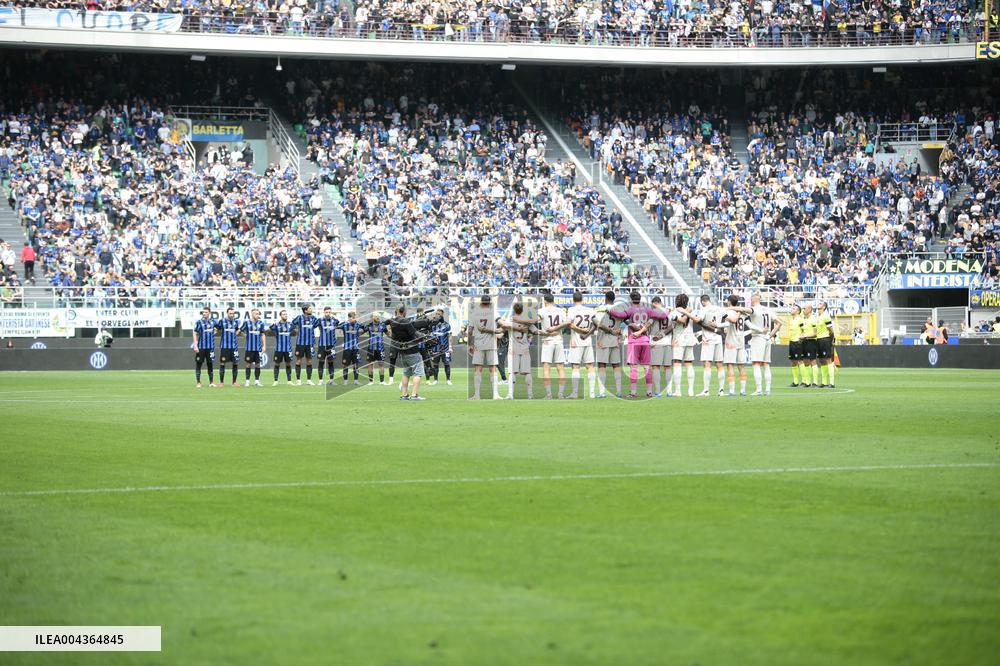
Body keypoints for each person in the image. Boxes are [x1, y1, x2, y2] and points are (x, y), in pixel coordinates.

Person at [610, 290, 667, 399]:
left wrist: (609, 309)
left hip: (634, 341)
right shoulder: (648, 310)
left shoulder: (630, 310)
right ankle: (650, 392)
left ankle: (633, 392)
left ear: (631, 299)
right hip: (645, 340)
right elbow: (663, 315)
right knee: (646, 367)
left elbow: (618, 314)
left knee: (633, 367)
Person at [386, 305, 439, 401]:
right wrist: (426, 337)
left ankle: (404, 395)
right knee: (417, 373)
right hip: (412, 350)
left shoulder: (393, 323)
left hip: (402, 352)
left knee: (406, 373)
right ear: (404, 312)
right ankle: (414, 395)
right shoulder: (406, 322)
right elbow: (415, 333)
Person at [499, 301, 536, 399]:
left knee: (512, 372)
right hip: (525, 349)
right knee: (527, 372)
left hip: (513, 350)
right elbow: (536, 331)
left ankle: (510, 394)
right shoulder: (528, 322)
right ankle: (530, 395)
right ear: (522, 310)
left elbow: (502, 326)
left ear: (514, 310)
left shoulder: (511, 321)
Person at [747, 293, 781, 395]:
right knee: (766, 364)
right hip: (767, 339)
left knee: (756, 363)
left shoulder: (754, 309)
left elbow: (745, 311)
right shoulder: (768, 309)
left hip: (758, 337)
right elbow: (779, 323)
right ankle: (767, 389)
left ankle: (758, 390)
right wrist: (770, 335)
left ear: (753, 300)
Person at [468, 294, 501, 400]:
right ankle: (495, 394)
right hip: (491, 343)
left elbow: (469, 331)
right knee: (493, 368)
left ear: (481, 302)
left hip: (478, 343)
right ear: (490, 303)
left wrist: (470, 344)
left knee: (478, 369)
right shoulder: (494, 313)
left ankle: (477, 395)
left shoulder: (474, 313)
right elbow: (501, 324)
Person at [537, 293, 569, 399]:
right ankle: (560, 394)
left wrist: (544, 331)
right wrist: (557, 328)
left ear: (545, 301)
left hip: (547, 340)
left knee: (546, 368)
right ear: (553, 300)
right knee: (560, 368)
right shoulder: (560, 311)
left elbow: (533, 321)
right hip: (558, 340)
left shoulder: (541, 311)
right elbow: (568, 322)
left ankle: (549, 394)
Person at [668, 294, 701, 397]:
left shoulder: (674, 312)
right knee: (689, 364)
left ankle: (678, 391)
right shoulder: (691, 311)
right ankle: (690, 390)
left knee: (677, 364)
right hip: (689, 338)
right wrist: (688, 311)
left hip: (679, 339)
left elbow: (681, 321)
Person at [566, 291, 598, 399]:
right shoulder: (589, 310)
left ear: (573, 300)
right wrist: (587, 332)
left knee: (575, 367)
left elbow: (570, 324)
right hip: (587, 341)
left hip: (576, 341)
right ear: (582, 299)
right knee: (590, 366)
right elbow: (597, 324)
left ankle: (575, 393)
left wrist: (580, 330)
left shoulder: (571, 310)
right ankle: (592, 393)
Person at [593, 290, 623, 398]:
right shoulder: (619, 310)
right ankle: (619, 391)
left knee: (602, 366)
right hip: (615, 341)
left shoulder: (600, 309)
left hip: (603, 340)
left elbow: (598, 324)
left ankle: (602, 392)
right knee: (616, 366)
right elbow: (624, 321)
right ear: (614, 299)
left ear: (605, 298)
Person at [720, 295, 750, 396]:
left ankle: (732, 391)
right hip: (741, 341)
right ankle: (743, 390)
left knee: (730, 365)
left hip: (731, 341)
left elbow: (728, 326)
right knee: (741, 366)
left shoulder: (728, 312)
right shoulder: (742, 312)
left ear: (729, 302)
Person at [697, 294, 726, 397]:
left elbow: (699, 320)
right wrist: (718, 327)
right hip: (718, 339)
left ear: (703, 301)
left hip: (707, 340)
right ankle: (721, 390)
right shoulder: (719, 308)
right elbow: (728, 321)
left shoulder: (704, 309)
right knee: (719, 364)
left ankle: (706, 391)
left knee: (707, 364)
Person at [648, 296, 673, 398]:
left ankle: (658, 391)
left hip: (656, 342)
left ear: (654, 303)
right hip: (667, 341)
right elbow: (672, 326)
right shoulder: (669, 311)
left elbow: (648, 325)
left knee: (656, 367)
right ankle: (669, 391)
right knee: (667, 367)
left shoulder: (652, 312)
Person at [291, 304, 318, 385]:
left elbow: (317, 325)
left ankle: (309, 380)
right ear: (305, 310)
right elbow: (293, 323)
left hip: (310, 343)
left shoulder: (314, 318)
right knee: (298, 361)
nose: (311, 310)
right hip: (300, 343)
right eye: (310, 308)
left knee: (309, 361)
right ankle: (298, 380)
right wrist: (296, 330)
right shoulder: (299, 317)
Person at [216, 307, 241, 388]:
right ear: (227, 313)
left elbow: (237, 330)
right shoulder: (222, 321)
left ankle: (234, 382)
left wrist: (235, 334)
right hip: (225, 346)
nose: (232, 315)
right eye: (230, 313)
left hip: (234, 346)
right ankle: (221, 382)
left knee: (235, 363)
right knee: (222, 363)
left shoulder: (236, 321)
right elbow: (218, 330)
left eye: (233, 313)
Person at [241, 308, 267, 387]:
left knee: (258, 364)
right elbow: (241, 330)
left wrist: (264, 345)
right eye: (256, 313)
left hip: (258, 348)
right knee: (248, 364)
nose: (257, 315)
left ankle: (257, 381)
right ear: (252, 314)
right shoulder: (247, 323)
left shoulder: (261, 323)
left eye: (258, 314)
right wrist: (245, 335)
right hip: (249, 348)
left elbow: (262, 334)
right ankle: (247, 381)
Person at [192, 306, 216, 389]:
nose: (204, 313)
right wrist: (195, 345)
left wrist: (216, 332)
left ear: (209, 313)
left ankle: (211, 382)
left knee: (210, 364)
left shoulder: (213, 321)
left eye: (206, 312)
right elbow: (195, 332)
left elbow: (218, 329)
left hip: (210, 347)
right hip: (201, 347)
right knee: (199, 364)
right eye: (203, 312)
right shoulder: (199, 322)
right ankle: (198, 382)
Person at [269, 310, 295, 386]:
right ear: (280, 316)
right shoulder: (277, 324)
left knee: (288, 364)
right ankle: (276, 381)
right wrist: (274, 323)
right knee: (277, 364)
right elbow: (270, 329)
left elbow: (296, 329)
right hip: (279, 348)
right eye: (284, 314)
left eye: (286, 314)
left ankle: (289, 380)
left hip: (288, 348)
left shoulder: (290, 324)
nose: (285, 315)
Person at [428, 309, 452, 385]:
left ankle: (448, 380)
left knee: (447, 363)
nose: (437, 315)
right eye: (437, 314)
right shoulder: (432, 326)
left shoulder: (447, 325)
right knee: (435, 364)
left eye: (439, 314)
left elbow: (449, 336)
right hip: (435, 348)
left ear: (442, 315)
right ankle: (435, 380)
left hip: (445, 348)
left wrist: (450, 346)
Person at [815, 301, 836, 388]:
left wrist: (831, 339)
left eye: (820, 304)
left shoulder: (826, 316)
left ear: (824, 307)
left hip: (825, 339)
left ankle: (831, 383)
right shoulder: (818, 317)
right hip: (819, 339)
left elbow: (830, 329)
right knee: (822, 360)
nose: (818, 304)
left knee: (828, 360)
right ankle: (824, 382)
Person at [339, 311, 364, 385]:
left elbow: (365, 328)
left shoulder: (358, 324)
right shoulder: (344, 324)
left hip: (355, 348)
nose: (354, 319)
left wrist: (359, 333)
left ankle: (356, 381)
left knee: (356, 364)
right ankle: (345, 381)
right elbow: (336, 326)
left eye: (354, 317)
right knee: (345, 365)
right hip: (347, 348)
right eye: (352, 318)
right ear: (349, 318)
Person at [317, 307, 340, 385]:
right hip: (322, 345)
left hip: (331, 345)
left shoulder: (334, 320)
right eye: (326, 312)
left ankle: (331, 380)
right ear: (324, 312)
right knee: (321, 362)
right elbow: (313, 325)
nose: (328, 314)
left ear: (331, 312)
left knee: (331, 362)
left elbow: (338, 322)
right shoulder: (320, 320)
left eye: (329, 312)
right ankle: (320, 381)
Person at [799, 303, 820, 387]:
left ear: (809, 310)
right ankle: (807, 382)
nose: (803, 310)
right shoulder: (804, 319)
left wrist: (805, 336)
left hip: (811, 341)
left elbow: (815, 333)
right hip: (804, 341)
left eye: (804, 308)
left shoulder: (813, 319)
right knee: (806, 361)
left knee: (813, 361)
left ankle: (815, 382)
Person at [364, 313, 388, 385]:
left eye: (378, 316)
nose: (378, 317)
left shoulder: (383, 325)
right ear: (372, 317)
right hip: (371, 348)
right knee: (370, 364)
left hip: (380, 348)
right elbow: (361, 332)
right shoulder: (369, 326)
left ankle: (382, 381)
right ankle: (370, 381)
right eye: (376, 316)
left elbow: (388, 334)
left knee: (381, 364)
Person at [788, 304, 805, 387]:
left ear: (798, 311)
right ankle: (795, 382)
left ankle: (804, 381)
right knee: (793, 361)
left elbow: (804, 330)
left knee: (800, 361)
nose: (792, 309)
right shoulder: (791, 320)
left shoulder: (800, 320)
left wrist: (801, 339)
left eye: (794, 308)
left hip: (798, 342)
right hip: (791, 341)